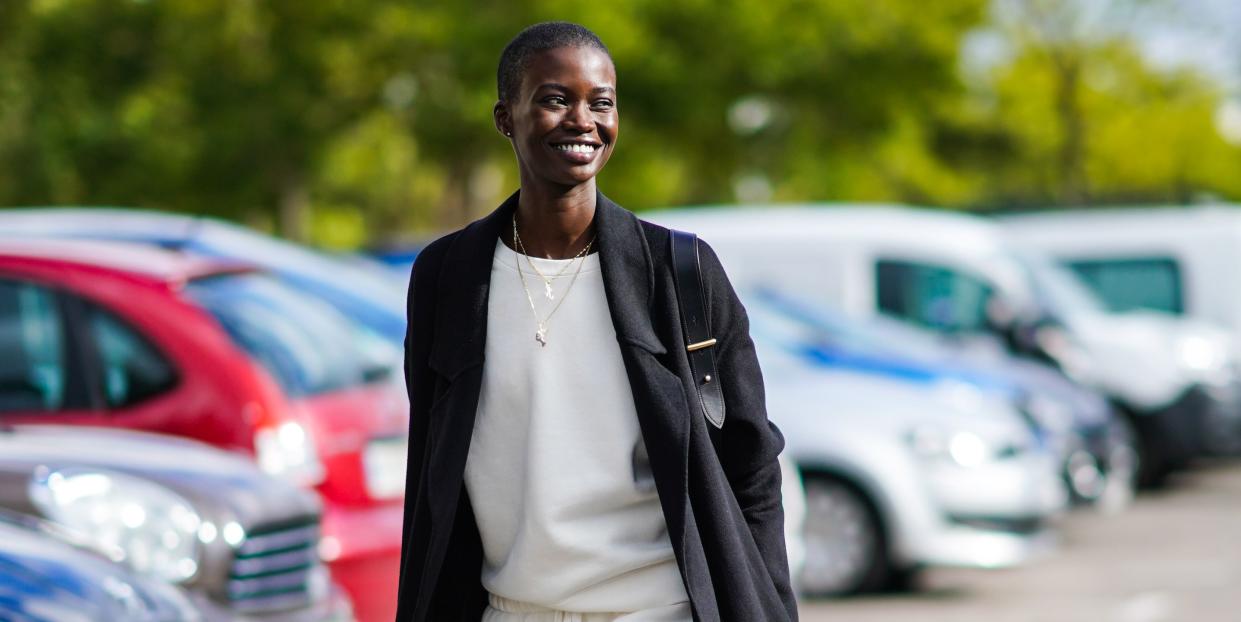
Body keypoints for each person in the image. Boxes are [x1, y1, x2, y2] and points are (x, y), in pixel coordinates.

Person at [395, 21, 796, 622]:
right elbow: (429, 474)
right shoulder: (448, 277)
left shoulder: (680, 272)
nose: (583, 120)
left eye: (600, 103)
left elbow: (751, 465)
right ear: (506, 117)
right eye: (555, 99)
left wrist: (771, 607)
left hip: (658, 607)